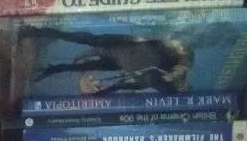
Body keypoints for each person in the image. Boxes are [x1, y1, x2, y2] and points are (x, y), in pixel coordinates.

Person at [22, 25, 194, 93]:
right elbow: (170, 43)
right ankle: (37, 32)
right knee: (81, 42)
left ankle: (48, 66)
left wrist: (100, 92)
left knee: (78, 62)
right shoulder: (172, 54)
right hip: (121, 46)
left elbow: (122, 85)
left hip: (118, 60)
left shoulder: (152, 78)